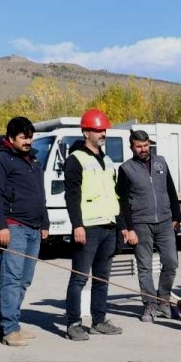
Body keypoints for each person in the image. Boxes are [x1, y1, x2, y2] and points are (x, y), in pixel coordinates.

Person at [0, 116, 49, 346]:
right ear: (11, 138)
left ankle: (11, 323)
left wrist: (45, 222)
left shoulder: (33, 160)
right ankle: (9, 329)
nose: (28, 141)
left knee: (24, 279)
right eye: (23, 137)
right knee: (11, 278)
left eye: (30, 137)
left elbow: (40, 194)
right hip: (13, 227)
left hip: (34, 228)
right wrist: (1, 226)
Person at [63, 108, 123, 341]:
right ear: (86, 132)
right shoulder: (75, 160)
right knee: (79, 278)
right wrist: (77, 225)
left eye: (104, 129)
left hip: (108, 225)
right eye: (98, 130)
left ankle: (99, 320)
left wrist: (120, 224)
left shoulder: (107, 160)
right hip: (87, 227)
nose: (102, 133)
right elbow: (72, 195)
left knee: (102, 278)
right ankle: (73, 323)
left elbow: (114, 194)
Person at [116, 129, 180, 322]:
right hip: (140, 223)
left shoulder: (161, 162)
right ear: (132, 147)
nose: (143, 150)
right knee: (145, 267)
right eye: (139, 147)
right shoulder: (126, 169)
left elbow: (170, 189)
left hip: (164, 221)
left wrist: (176, 216)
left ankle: (164, 302)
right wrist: (128, 228)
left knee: (171, 262)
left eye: (146, 146)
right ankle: (150, 306)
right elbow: (122, 201)